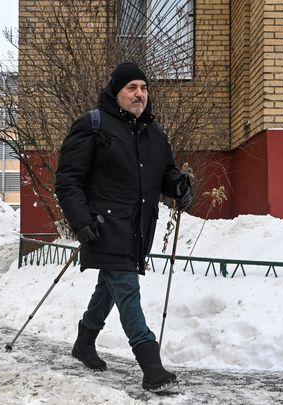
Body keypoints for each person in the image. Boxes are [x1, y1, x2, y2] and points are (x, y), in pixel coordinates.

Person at [55, 62, 193, 391]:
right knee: (126, 289)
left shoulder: (154, 132)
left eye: (143, 88)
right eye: (132, 88)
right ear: (116, 93)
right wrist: (80, 221)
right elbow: (68, 180)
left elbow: (165, 172)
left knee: (110, 284)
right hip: (104, 227)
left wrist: (178, 185)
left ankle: (84, 342)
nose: (139, 94)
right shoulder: (93, 125)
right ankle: (152, 367)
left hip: (137, 228)